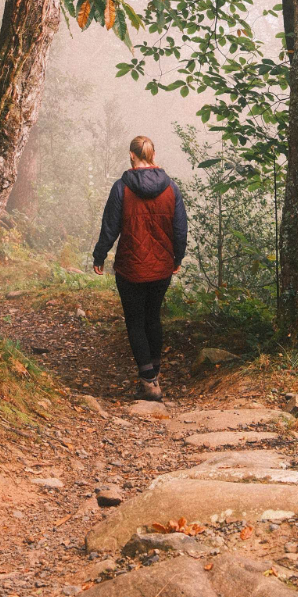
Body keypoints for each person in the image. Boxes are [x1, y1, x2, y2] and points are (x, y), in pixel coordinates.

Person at [92, 135, 187, 401]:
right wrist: (177, 258)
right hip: (161, 268)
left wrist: (100, 256)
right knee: (153, 318)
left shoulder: (121, 188)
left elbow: (110, 227)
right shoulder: (172, 188)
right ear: (152, 155)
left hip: (131, 268)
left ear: (132, 155)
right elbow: (180, 229)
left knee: (135, 321)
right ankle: (153, 375)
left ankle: (148, 382)